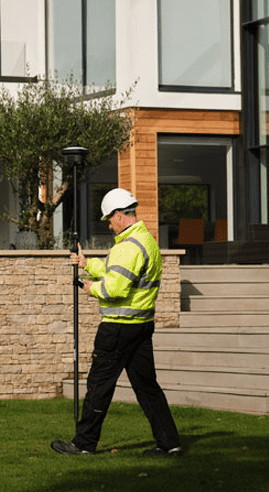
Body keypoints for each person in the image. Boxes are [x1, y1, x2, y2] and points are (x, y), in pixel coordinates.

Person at [50, 188, 182, 457]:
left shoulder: (127, 247)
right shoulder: (146, 241)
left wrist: (90, 288)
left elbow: (115, 288)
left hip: (118, 327)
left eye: (109, 219)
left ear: (120, 216)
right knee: (147, 387)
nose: (108, 224)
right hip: (141, 325)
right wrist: (88, 264)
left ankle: (83, 444)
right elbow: (116, 271)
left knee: (99, 385)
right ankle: (170, 444)